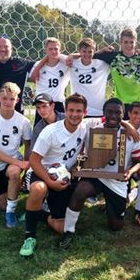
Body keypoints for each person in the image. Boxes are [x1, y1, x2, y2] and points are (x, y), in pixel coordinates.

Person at [58, 98, 140, 249]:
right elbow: (84, 155)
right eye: (110, 112)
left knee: (116, 226)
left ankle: (131, 193)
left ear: (123, 114)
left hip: (117, 181)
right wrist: (77, 167)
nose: (113, 116)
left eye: (118, 113)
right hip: (96, 176)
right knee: (80, 190)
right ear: (103, 113)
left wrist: (130, 172)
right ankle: (68, 231)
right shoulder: (93, 131)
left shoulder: (130, 135)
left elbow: (138, 162)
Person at [19, 94, 90, 257]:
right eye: (71, 110)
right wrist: (49, 183)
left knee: (61, 229)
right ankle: (29, 237)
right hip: (40, 171)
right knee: (39, 189)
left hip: (63, 176)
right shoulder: (50, 131)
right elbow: (34, 160)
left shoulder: (85, 127)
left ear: (85, 112)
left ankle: (40, 214)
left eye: (79, 111)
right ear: (64, 111)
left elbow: (109, 119)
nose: (74, 114)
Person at [0, 82, 31, 228]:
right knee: (0, 204)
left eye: (12, 99)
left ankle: (10, 213)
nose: (8, 102)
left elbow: (28, 145)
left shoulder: (24, 121)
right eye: (5, 98)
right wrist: (20, 163)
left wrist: (25, 167)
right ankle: (11, 198)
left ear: (18, 100)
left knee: (14, 172)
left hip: (13, 163)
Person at [93, 28, 140, 117]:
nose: (129, 45)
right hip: (118, 104)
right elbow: (89, 56)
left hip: (136, 105)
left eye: (131, 42)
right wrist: (102, 50)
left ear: (135, 42)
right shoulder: (113, 57)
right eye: (126, 42)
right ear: (120, 42)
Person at [0, 35, 35, 113]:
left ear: (11, 49)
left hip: (17, 115)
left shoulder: (20, 63)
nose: (2, 49)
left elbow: (41, 66)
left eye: (6, 46)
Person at [29, 37, 69, 123]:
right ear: (45, 50)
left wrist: (66, 56)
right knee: (40, 133)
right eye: (50, 49)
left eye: (56, 49)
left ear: (60, 50)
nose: (53, 51)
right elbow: (33, 78)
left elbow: (74, 58)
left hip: (58, 104)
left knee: (61, 133)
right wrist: (43, 61)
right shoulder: (39, 65)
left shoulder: (65, 65)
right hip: (42, 103)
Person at [68, 38, 110, 117]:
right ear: (79, 51)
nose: (87, 54)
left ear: (94, 52)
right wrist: (71, 56)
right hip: (78, 111)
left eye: (90, 51)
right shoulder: (72, 63)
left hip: (98, 111)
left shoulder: (102, 64)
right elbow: (56, 57)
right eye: (84, 51)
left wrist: (103, 50)